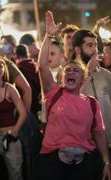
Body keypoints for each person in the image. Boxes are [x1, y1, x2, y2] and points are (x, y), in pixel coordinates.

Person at [37, 10, 110, 180]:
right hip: (53, 163)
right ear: (61, 77)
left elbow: (99, 133)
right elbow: (42, 67)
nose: (71, 72)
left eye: (76, 70)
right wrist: (48, 35)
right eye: (67, 70)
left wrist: (107, 162)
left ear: (83, 77)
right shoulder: (54, 93)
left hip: (83, 164)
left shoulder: (92, 103)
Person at [72, 30, 111, 152]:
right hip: (85, 145)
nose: (94, 49)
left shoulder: (106, 75)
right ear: (77, 49)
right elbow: (72, 100)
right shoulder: (68, 75)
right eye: (89, 45)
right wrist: (87, 72)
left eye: (95, 45)